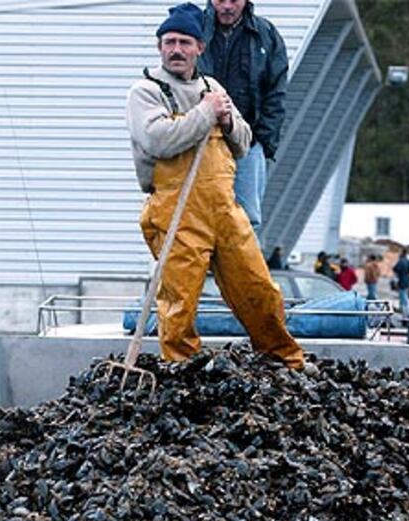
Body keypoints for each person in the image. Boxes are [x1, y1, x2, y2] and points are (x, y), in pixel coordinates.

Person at [125, 2, 304, 370]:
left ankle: (284, 358)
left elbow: (242, 141)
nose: (176, 49)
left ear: (199, 48)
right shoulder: (146, 92)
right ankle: (181, 366)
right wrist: (206, 112)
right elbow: (159, 140)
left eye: (185, 42)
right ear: (159, 46)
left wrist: (226, 118)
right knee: (179, 299)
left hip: (223, 208)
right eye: (170, 41)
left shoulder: (214, 88)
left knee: (258, 287)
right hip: (176, 211)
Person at [199, 0, 288, 238]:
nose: (227, 6)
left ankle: (242, 275)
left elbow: (276, 92)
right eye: (220, 0)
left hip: (248, 145)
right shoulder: (194, 29)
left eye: (234, 0)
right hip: (199, 141)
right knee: (198, 218)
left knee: (247, 221)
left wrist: (264, 141)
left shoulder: (266, 35)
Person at [393, 247, 409, 317]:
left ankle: (406, 311)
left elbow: (396, 268)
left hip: (402, 280)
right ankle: (402, 309)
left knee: (403, 295)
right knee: (403, 294)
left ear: (402, 253)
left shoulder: (401, 261)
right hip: (407, 279)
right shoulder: (408, 261)